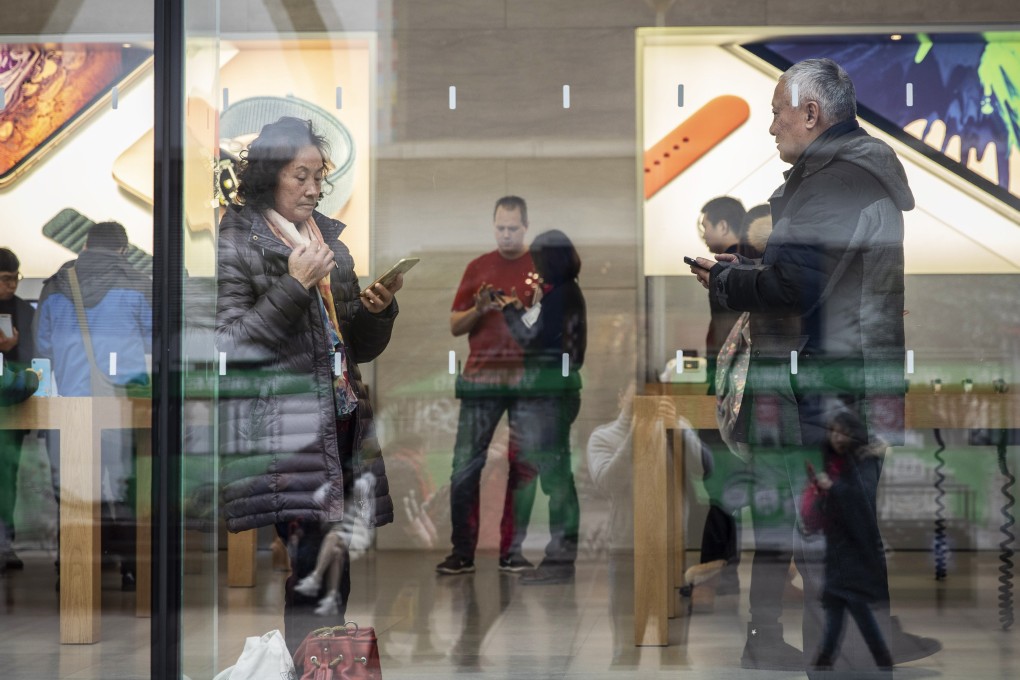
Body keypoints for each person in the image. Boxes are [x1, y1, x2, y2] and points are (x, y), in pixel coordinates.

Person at [691, 58, 936, 670]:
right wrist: (742, 275)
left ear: (811, 113)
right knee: (844, 541)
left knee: (831, 546)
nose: (771, 126)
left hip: (831, 394)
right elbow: (810, 282)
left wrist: (727, 286)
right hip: (844, 387)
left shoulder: (836, 180)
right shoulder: (845, 174)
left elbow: (795, 287)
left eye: (777, 111)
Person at [215, 116, 399, 655]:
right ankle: (315, 665)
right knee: (313, 566)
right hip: (284, 433)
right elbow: (230, 347)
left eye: (320, 175)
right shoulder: (237, 238)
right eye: (302, 175)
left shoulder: (328, 240)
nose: (315, 188)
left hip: (340, 423)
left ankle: (323, 664)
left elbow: (354, 348)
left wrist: (378, 312)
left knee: (333, 562)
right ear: (271, 175)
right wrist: (294, 285)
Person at [34, 223, 152, 592]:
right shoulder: (139, 282)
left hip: (70, 405)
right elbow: (156, 340)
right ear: (122, 249)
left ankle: (69, 566)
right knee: (122, 486)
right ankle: (131, 566)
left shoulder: (56, 284)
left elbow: (42, 344)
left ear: (85, 245)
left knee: (71, 487)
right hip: (123, 404)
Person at [437, 196, 540, 576]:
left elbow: (548, 328)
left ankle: (511, 551)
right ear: (493, 225)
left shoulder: (539, 269)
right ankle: (462, 552)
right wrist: (480, 309)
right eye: (500, 228)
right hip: (481, 379)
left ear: (526, 226)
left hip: (527, 381)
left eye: (513, 228)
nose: (507, 234)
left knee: (523, 467)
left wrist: (521, 309)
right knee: (465, 467)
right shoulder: (478, 267)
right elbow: (454, 325)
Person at [498, 229, 586, 584]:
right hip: (555, 394)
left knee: (554, 479)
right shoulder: (564, 294)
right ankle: (559, 557)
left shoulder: (561, 296)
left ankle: (560, 558)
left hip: (548, 396)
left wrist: (510, 314)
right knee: (555, 476)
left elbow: (532, 342)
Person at [800, 410, 893, 671]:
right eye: (833, 431)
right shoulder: (832, 458)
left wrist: (833, 488)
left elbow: (860, 503)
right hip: (839, 545)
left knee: (848, 605)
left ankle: (827, 660)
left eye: (843, 432)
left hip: (854, 547)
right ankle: (871, 657)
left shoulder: (861, 461)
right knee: (843, 606)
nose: (837, 437)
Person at [0, 248, 36, 570]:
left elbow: (34, 356)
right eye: (5, 279)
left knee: (7, 477)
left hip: (14, 406)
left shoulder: (24, 311)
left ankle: (4, 544)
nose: (12, 285)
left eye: (15, 278)